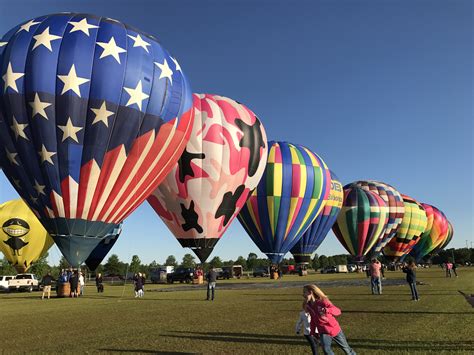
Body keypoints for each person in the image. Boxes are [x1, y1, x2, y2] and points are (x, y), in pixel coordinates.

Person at [303, 284, 356, 355]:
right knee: (326, 350)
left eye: (304, 292)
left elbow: (338, 311)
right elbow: (312, 319)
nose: (303, 294)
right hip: (323, 332)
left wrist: (327, 310)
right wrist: (313, 332)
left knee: (347, 349)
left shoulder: (323, 301)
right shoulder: (309, 306)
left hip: (335, 330)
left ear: (311, 292)